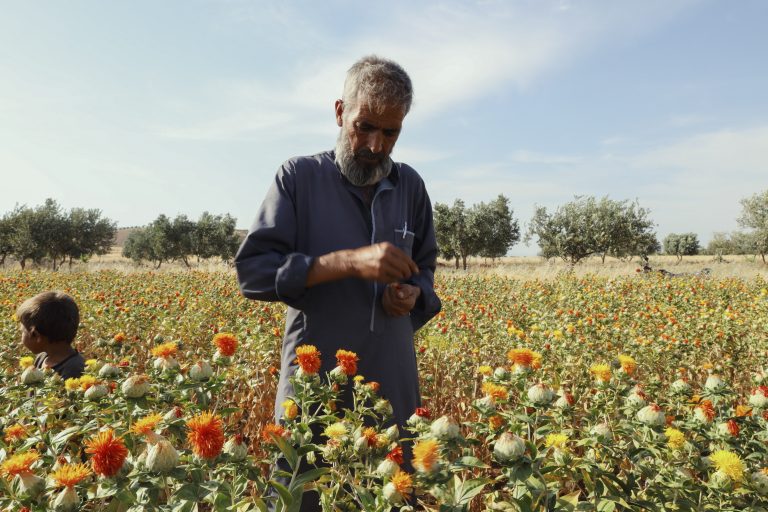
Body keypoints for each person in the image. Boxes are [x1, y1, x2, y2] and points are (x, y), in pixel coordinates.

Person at [235, 55, 441, 489]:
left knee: (386, 490)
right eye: (363, 126)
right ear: (339, 112)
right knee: (305, 490)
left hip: (391, 383)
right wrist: (348, 262)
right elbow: (253, 273)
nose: (375, 146)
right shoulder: (298, 177)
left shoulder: (411, 187)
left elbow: (426, 271)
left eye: (390, 132)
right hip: (314, 386)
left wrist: (411, 294)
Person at [17, 290, 85, 380]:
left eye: (22, 331)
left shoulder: (74, 370)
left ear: (36, 336)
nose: (20, 334)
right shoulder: (42, 357)